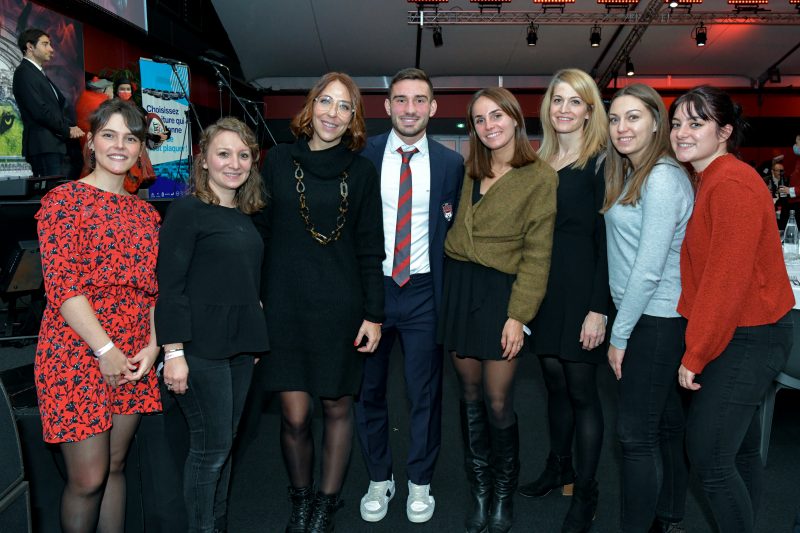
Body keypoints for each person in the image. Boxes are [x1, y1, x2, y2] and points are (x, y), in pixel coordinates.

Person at [253, 72, 384, 533]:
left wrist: (374, 314)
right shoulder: (278, 161)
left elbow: (370, 246)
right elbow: (261, 234)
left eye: (344, 106)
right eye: (326, 102)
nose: (333, 112)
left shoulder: (362, 171)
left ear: (353, 119)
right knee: (294, 415)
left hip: (341, 307)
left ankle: (325, 507)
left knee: (336, 408)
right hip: (284, 304)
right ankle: (300, 498)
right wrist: (256, 298)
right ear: (311, 107)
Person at [670, 85, 794, 533]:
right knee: (737, 451)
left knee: (708, 457)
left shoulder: (732, 184)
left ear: (724, 131)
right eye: (678, 123)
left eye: (696, 123)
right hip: (747, 329)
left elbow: (725, 281)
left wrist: (695, 352)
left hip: (751, 334)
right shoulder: (713, 179)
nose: (682, 132)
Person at [33, 98, 161, 533]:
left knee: (116, 465)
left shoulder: (147, 214)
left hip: (133, 354)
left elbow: (155, 291)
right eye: (109, 135)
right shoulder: (63, 201)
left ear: (141, 146)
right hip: (76, 350)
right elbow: (63, 286)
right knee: (87, 478)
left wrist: (153, 346)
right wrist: (103, 349)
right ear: (91, 142)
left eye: (130, 137)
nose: (120, 146)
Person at [438, 87, 557, 533]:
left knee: (498, 400)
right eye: (480, 119)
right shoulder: (470, 170)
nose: (489, 126)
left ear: (514, 118)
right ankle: (481, 489)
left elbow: (538, 252)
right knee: (468, 399)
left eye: (497, 116)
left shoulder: (539, 176)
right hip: (460, 289)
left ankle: (504, 492)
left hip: (503, 296)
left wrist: (519, 316)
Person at [354, 67, 463, 524]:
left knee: (425, 394)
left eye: (420, 100)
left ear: (433, 108)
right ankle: (380, 478)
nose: (410, 108)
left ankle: (420, 480)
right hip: (372, 292)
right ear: (387, 106)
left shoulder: (451, 164)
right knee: (367, 393)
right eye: (401, 99)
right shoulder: (362, 155)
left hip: (422, 293)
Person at [154, 117, 268, 533]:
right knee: (210, 451)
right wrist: (174, 353)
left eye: (243, 155)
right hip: (199, 350)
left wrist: (253, 335)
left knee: (226, 448)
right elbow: (170, 286)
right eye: (224, 154)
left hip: (239, 348)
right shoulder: (187, 211)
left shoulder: (243, 213)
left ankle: (217, 526)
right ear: (204, 160)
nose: (234, 163)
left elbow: (244, 283)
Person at [518, 68, 609, 533]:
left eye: (576, 102)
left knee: (581, 391)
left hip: (582, 292)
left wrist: (599, 308)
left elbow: (607, 242)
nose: (565, 110)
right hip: (543, 290)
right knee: (552, 383)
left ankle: (587, 492)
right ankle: (560, 467)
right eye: (558, 100)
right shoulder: (539, 161)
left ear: (590, 110)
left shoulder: (601, 163)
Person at [603, 83, 694, 533]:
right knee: (665, 427)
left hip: (654, 319)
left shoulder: (661, 177)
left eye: (633, 117)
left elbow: (648, 270)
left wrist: (620, 335)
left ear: (657, 122)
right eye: (616, 118)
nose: (622, 127)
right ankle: (670, 514)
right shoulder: (632, 171)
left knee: (634, 436)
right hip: (650, 317)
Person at [12, 28, 84, 177]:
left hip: (54, 146)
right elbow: (40, 111)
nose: (51, 50)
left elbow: (54, 109)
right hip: (42, 147)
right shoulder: (24, 72)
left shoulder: (37, 72)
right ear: (30, 47)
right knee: (49, 196)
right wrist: (67, 129)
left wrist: (71, 126)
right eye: (45, 44)